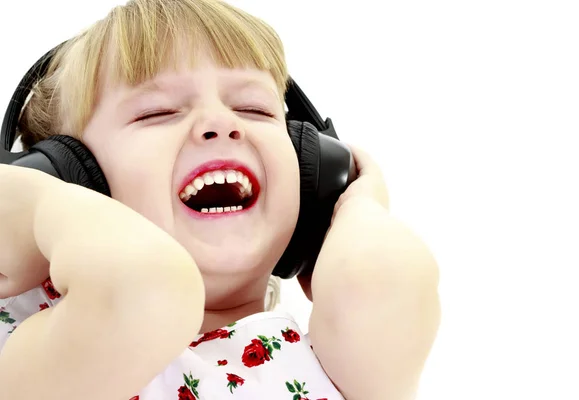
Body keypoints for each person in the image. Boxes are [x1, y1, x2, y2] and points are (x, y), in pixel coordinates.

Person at [0, 0, 441, 399]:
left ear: (316, 177)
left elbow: (386, 282)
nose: (221, 122)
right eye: (158, 112)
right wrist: (36, 207)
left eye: (255, 109)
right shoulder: (34, 351)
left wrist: (355, 202)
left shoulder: (343, 366)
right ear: (69, 177)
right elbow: (143, 292)